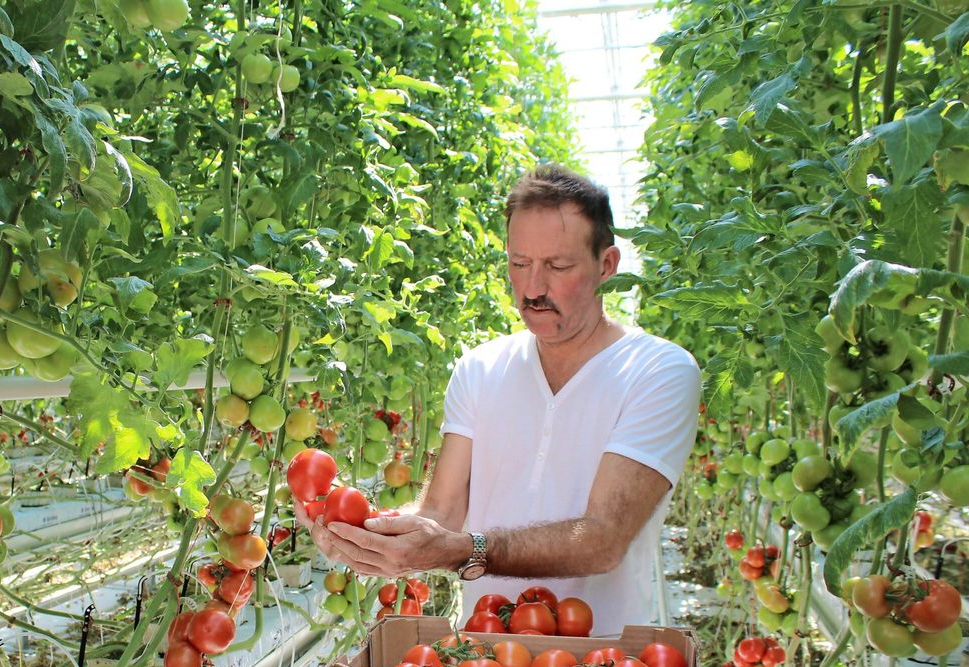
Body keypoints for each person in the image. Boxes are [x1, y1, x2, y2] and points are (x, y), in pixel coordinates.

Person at [294, 164, 701, 634]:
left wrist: (464, 550)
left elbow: (603, 539)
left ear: (606, 265)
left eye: (558, 266)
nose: (532, 288)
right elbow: (440, 513)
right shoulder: (480, 369)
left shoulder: (658, 372)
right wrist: (368, 536)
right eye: (519, 263)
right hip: (481, 658)